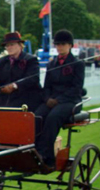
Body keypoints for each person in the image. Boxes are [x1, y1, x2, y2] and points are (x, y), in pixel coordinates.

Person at [35, 30, 84, 168]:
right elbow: (47, 86)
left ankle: (47, 155)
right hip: (52, 100)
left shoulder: (77, 64)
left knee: (53, 117)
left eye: (63, 44)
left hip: (71, 101)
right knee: (37, 116)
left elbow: (77, 88)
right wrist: (47, 99)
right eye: (57, 44)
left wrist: (58, 100)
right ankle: (33, 149)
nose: (59, 47)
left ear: (70, 45)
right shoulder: (51, 64)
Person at [0, 32, 42, 111]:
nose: (9, 47)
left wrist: (14, 86)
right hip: (4, 99)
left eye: (12, 44)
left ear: (20, 45)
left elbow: (33, 79)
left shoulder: (30, 60)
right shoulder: (3, 61)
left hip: (25, 98)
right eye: (7, 45)